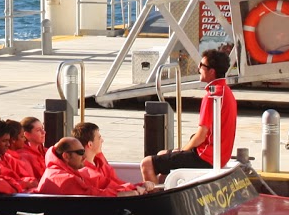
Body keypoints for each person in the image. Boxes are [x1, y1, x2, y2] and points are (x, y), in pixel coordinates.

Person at [140, 48, 237, 184]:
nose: (198, 69)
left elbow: (201, 135)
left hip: (206, 157)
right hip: (219, 156)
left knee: (147, 164)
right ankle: (166, 189)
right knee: (162, 154)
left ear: (211, 71)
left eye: (202, 66)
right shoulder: (227, 92)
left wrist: (182, 151)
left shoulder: (211, 96)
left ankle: (155, 200)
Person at [73, 121, 138, 194]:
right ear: (90, 144)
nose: (102, 140)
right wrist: (136, 188)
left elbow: (116, 182)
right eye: (99, 138)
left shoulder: (100, 161)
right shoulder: (86, 172)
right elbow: (110, 187)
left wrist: (137, 186)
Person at [33, 136, 112, 196]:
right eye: (80, 152)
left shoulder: (56, 173)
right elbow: (96, 196)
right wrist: (119, 195)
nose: (84, 157)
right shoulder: (66, 179)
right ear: (66, 156)